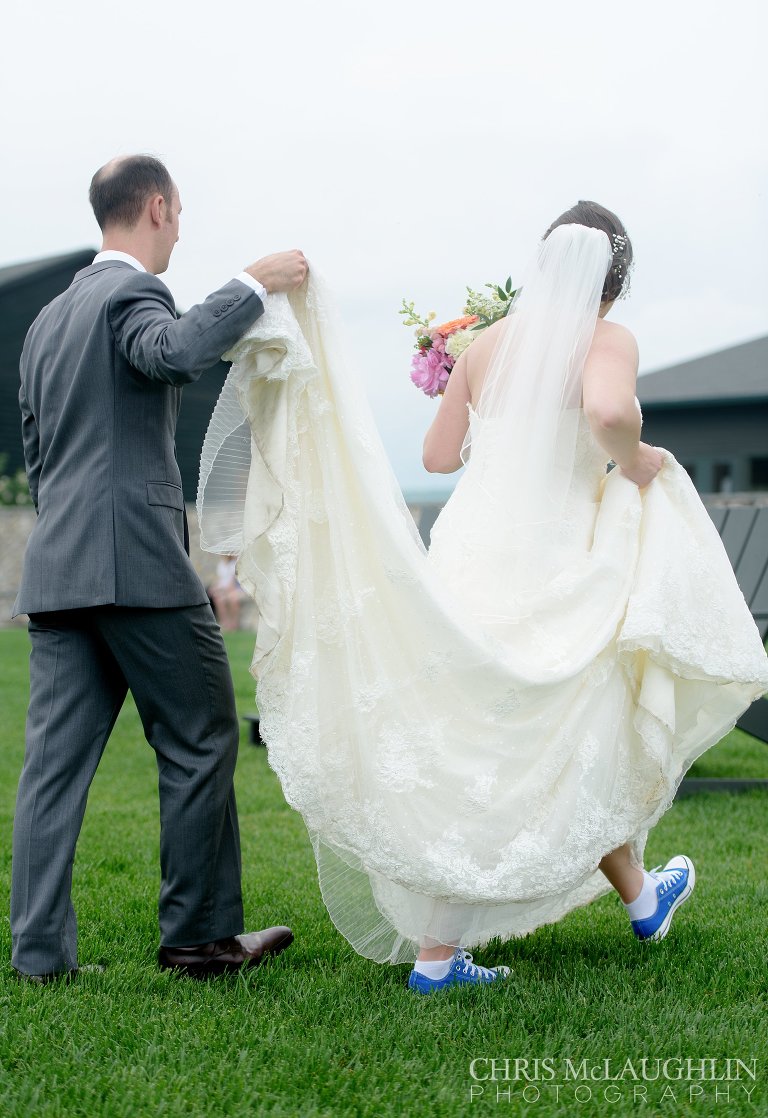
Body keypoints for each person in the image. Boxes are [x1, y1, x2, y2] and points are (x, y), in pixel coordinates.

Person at [197, 205, 768, 995]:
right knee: (542, 733)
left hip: (470, 553)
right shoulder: (608, 341)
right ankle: (439, 957)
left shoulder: (488, 345)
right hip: (558, 557)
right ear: (616, 282)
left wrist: (490, 405)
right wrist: (634, 457)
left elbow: (436, 453)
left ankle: (642, 898)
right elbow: (607, 413)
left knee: (513, 728)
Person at [11, 154, 307, 982]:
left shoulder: (47, 319)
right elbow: (172, 352)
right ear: (155, 208)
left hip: (61, 568)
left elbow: (40, 454)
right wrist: (248, 285)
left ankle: (38, 956)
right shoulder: (132, 294)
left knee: (51, 771)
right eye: (177, 213)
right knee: (201, 732)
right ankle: (201, 939)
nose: (179, 228)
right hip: (137, 564)